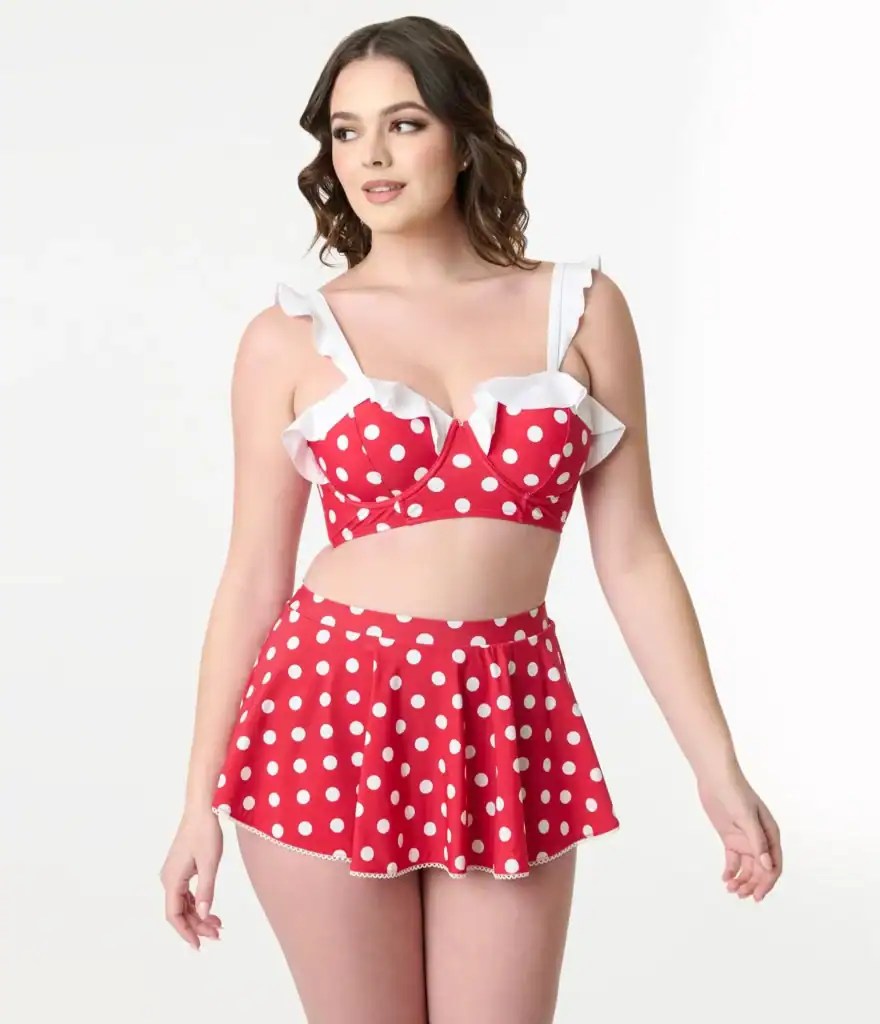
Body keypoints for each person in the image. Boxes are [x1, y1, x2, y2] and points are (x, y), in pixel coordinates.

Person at [159, 14, 782, 1023]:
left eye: (403, 123)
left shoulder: (581, 309)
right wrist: (196, 804)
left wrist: (717, 767)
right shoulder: (287, 338)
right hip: (326, 714)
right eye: (348, 131)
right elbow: (252, 578)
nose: (371, 155)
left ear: (462, 138)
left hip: (506, 713)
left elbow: (632, 555)